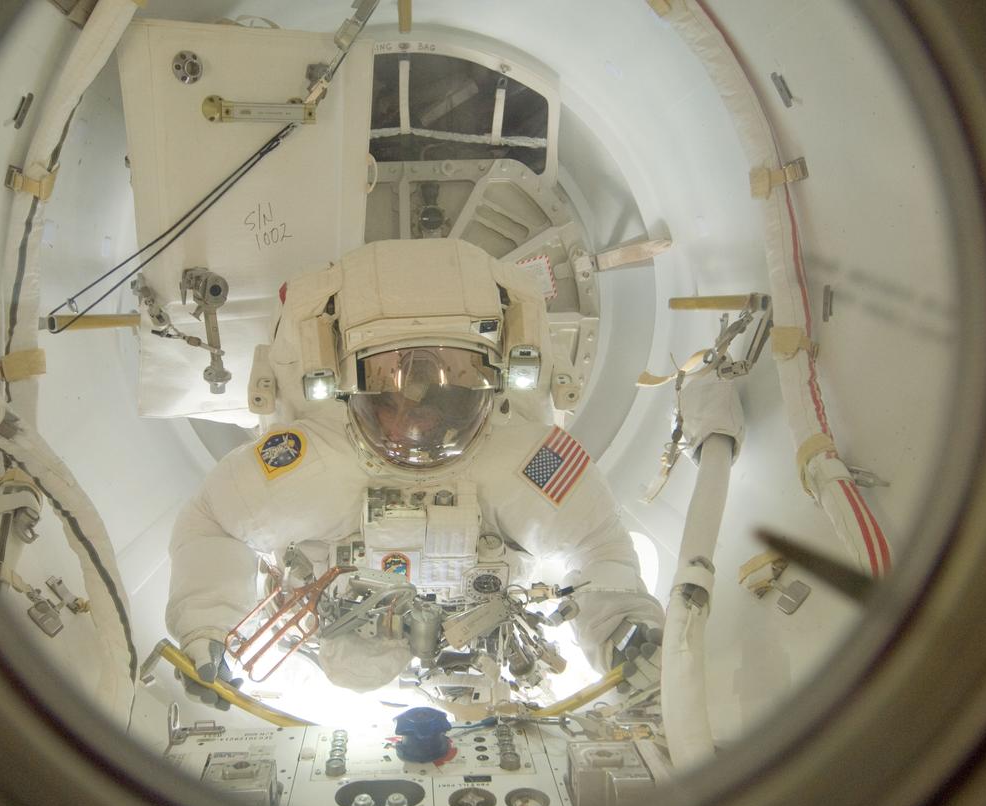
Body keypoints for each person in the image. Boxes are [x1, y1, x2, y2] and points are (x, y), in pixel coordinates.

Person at [166, 238, 663, 708]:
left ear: (492, 381)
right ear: (345, 383)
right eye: (387, 392)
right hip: (330, 660)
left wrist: (622, 628)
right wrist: (209, 632)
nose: (413, 418)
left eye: (447, 392)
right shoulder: (304, 460)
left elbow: (598, 544)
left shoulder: (534, 461)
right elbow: (213, 524)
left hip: (495, 659)